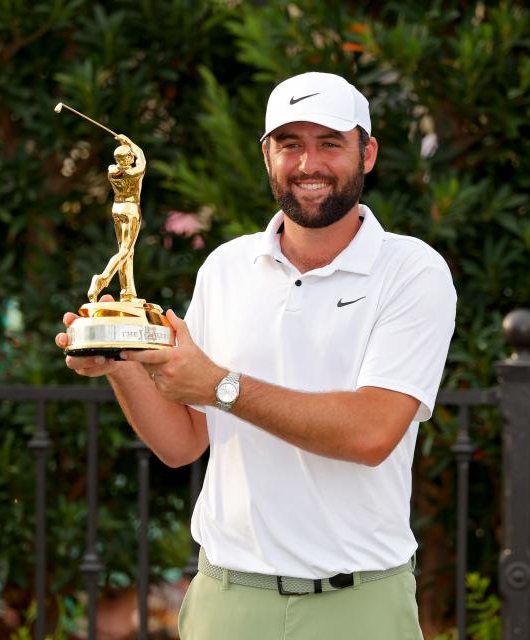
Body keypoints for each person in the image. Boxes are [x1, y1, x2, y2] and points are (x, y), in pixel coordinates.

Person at [56, 71, 457, 639]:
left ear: (367, 154)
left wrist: (220, 384)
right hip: (228, 601)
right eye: (291, 144)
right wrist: (120, 366)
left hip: (358, 605)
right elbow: (182, 443)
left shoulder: (412, 271)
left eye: (330, 143)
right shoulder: (226, 267)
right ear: (268, 155)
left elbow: (372, 433)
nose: (308, 164)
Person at [88, 134, 146, 302]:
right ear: (128, 158)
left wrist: (125, 146)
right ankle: (102, 279)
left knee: (126, 251)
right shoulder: (134, 172)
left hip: (117, 208)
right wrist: (130, 142)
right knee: (126, 250)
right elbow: (141, 157)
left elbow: (127, 161)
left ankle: (127, 291)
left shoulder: (112, 170)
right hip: (130, 209)